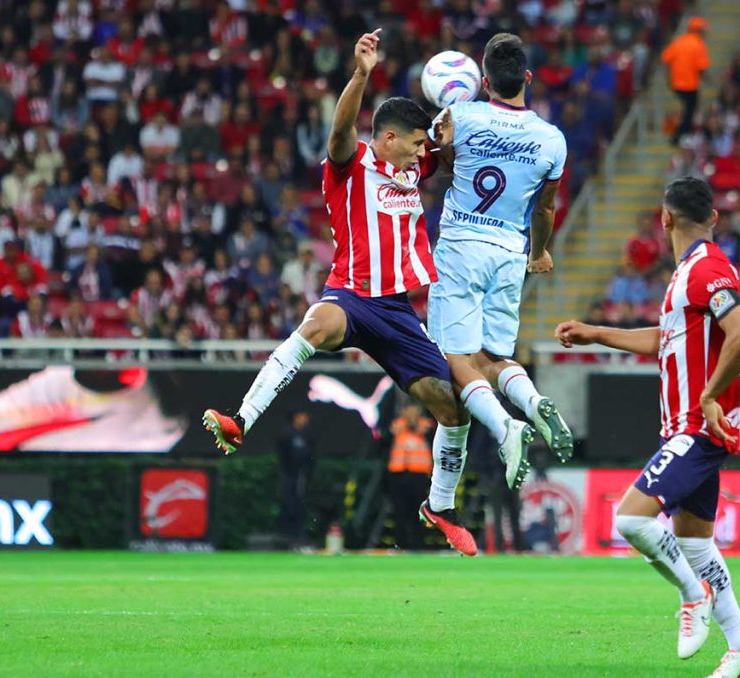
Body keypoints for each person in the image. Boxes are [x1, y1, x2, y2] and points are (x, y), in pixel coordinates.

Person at [202, 30, 477, 557]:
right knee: (316, 326)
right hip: (350, 294)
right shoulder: (349, 164)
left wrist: (458, 108)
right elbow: (340, 130)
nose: (424, 152)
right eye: (416, 142)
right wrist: (360, 75)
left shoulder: (413, 166)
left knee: (453, 409)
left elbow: (447, 150)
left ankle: (440, 507)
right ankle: (241, 420)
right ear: (389, 138)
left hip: (396, 310)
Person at [554, 177, 740, 677]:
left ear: (664, 219)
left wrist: (710, 395)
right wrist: (596, 333)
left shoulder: (706, 270)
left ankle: (695, 595)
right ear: (712, 217)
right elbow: (664, 340)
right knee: (693, 542)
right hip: (687, 426)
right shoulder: (689, 274)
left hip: (698, 425)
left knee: (630, 519)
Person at [425, 33, 573, 517]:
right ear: (527, 78)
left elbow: (432, 161)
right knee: (492, 357)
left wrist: (444, 125)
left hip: (462, 245)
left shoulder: (461, 117)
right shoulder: (552, 139)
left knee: (455, 358)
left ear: (483, 81)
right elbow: (546, 207)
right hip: (511, 252)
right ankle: (532, 403)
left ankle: (507, 426)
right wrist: (541, 253)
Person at [387, 403, 434, 551]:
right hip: (399, 473)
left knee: (418, 512)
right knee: (400, 511)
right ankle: (401, 544)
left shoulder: (426, 426)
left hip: (419, 474)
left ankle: (418, 544)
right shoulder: (398, 426)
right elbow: (385, 437)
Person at [661, 17, 711, 145]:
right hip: (690, 86)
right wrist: (709, 81)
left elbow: (666, 59)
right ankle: (679, 137)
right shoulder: (698, 44)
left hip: (676, 85)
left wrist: (669, 79)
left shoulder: (679, 41)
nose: (704, 33)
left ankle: (676, 135)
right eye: (703, 30)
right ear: (697, 30)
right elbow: (702, 68)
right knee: (689, 113)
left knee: (683, 111)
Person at [277, 411, 315, 549]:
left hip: (302, 477)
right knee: (289, 504)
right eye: (302, 416)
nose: (305, 419)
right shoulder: (287, 434)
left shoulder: (307, 435)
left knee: (300, 505)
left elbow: (311, 455)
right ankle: (287, 537)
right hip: (289, 475)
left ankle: (300, 537)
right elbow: (283, 454)